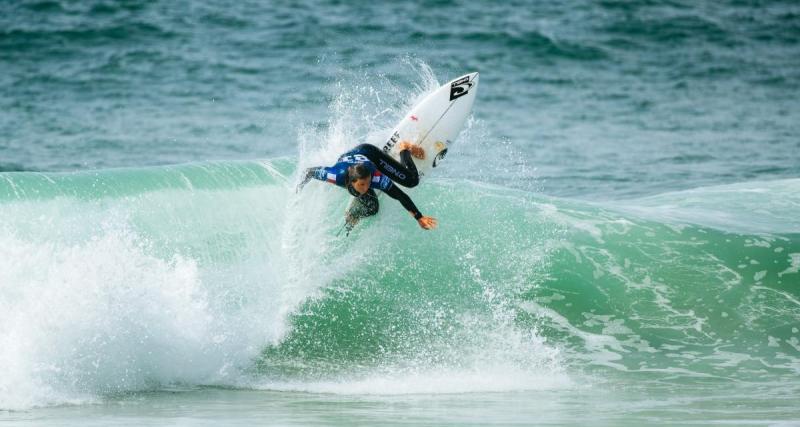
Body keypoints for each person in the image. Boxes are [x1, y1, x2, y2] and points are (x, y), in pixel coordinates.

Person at [297, 142, 438, 233]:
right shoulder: (335, 176)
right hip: (351, 159)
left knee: (412, 181)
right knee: (373, 209)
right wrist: (297, 191)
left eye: (368, 183)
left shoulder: (376, 178)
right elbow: (308, 172)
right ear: (352, 182)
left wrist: (419, 217)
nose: (366, 188)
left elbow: (400, 195)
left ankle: (404, 149)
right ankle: (354, 215)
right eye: (362, 185)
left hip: (371, 154)